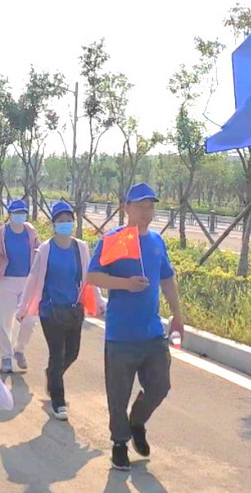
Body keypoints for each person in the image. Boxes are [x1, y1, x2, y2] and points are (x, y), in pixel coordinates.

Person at [87, 183, 184, 471]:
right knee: (118, 394)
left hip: (152, 331)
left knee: (160, 385)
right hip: (121, 334)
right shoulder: (114, 240)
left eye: (150, 206)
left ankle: (137, 421)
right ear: (126, 208)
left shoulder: (156, 241)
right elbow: (93, 276)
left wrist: (177, 315)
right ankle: (119, 443)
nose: (145, 212)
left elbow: (166, 278)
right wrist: (125, 284)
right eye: (140, 206)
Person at [16, 201, 94, 420]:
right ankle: (58, 401)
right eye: (61, 221)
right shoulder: (46, 249)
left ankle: (52, 375)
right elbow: (33, 279)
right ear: (54, 224)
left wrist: (97, 301)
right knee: (57, 354)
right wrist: (23, 308)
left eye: (68, 220)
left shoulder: (81, 248)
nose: (65, 224)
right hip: (50, 311)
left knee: (73, 353)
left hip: (74, 309)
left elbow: (89, 277)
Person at [0, 200, 41, 373]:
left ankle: (19, 349)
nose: (19, 216)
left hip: (27, 282)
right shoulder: (0, 234)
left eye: (22, 213)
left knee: (30, 320)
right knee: (5, 322)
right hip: (6, 282)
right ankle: (6, 358)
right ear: (10, 214)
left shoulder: (30, 231)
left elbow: (39, 254)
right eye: (16, 213)